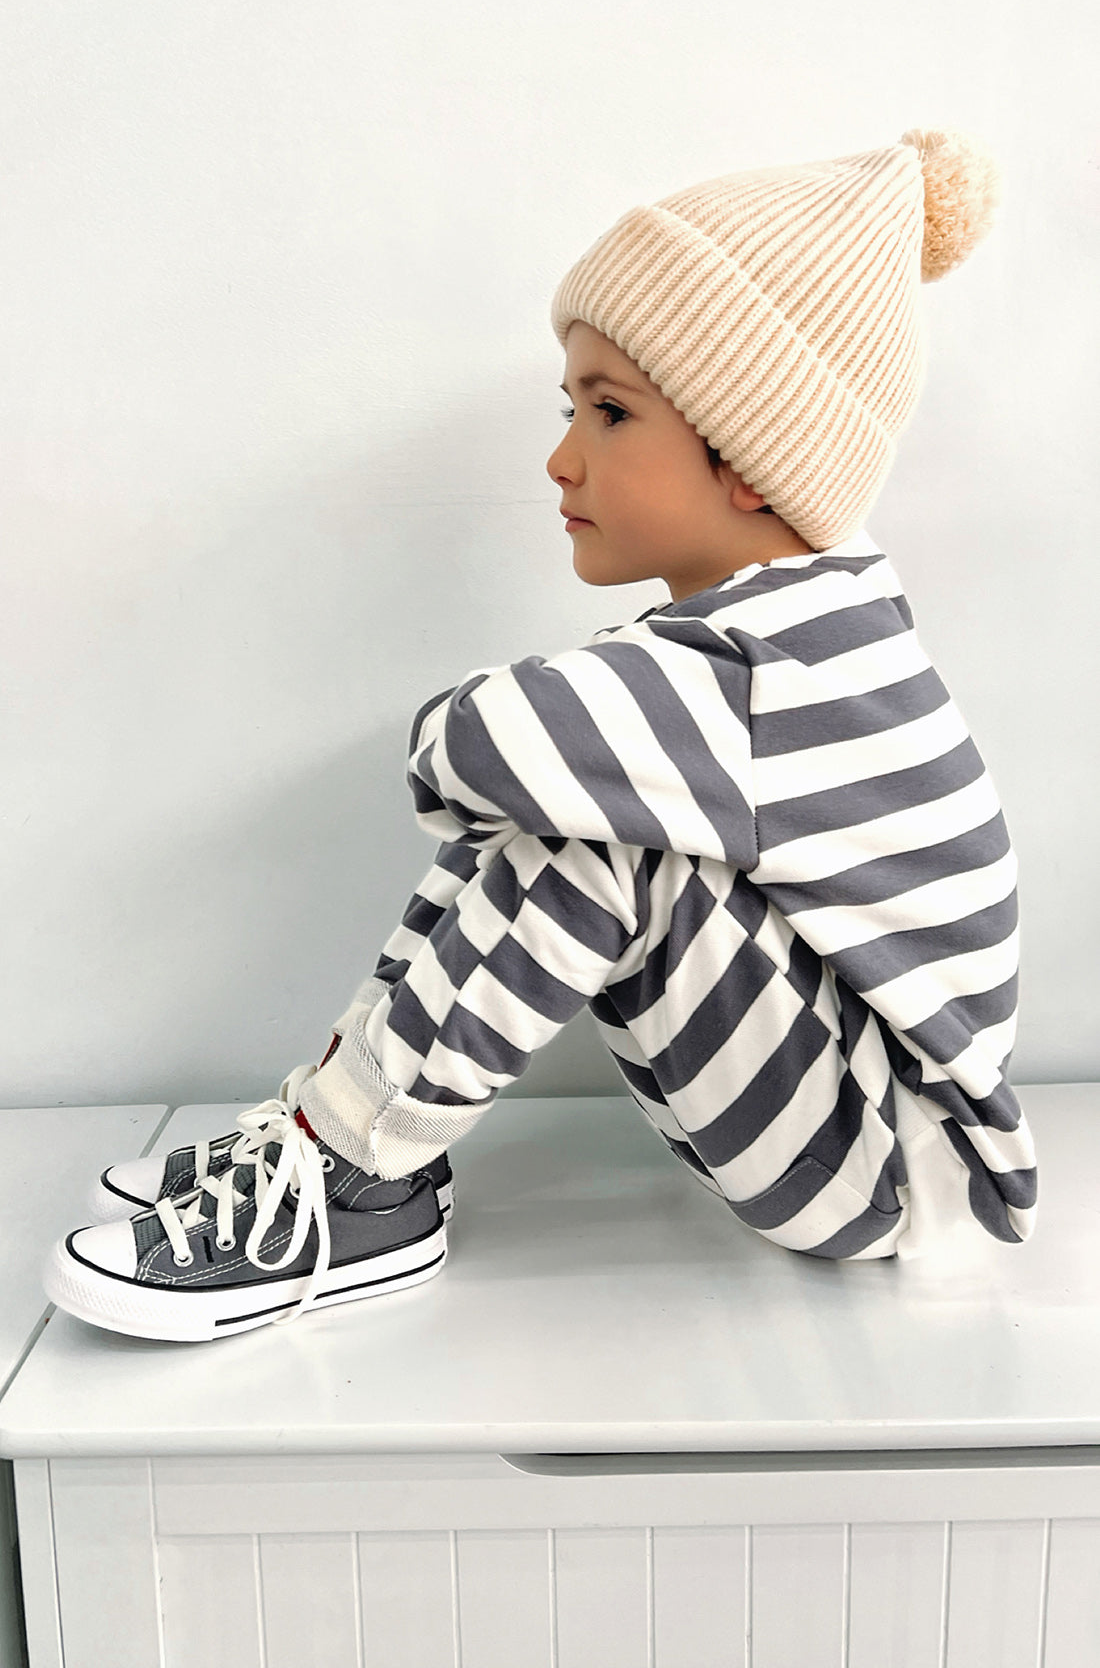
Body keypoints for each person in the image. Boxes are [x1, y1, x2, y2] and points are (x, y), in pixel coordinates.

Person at [44, 125, 1037, 1343]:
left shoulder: (764, 665)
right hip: (849, 1124)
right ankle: (327, 1133)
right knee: (588, 797)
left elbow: (464, 741)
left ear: (754, 458)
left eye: (609, 413)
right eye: (571, 408)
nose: (561, 460)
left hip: (884, 1165)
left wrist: (459, 752)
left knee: (596, 829)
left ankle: (357, 1182)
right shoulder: (794, 628)